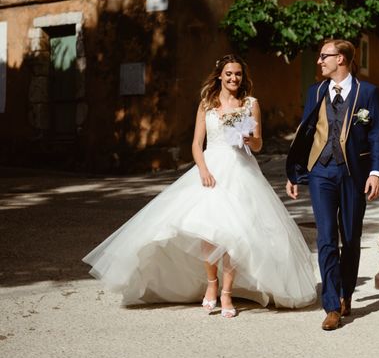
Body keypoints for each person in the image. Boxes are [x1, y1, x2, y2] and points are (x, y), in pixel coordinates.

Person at [83, 54, 317, 316]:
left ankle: (227, 294)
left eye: (238, 74)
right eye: (229, 73)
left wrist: (250, 139)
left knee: (235, 233)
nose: (233, 78)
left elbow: (259, 144)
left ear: (243, 77)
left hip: (241, 171)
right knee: (208, 232)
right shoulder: (207, 104)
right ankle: (211, 284)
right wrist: (203, 170)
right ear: (220, 75)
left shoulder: (251, 103)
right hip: (211, 169)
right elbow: (196, 144)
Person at [286, 39, 379, 330]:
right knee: (327, 238)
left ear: (341, 59)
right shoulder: (315, 91)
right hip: (321, 172)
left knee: (351, 237)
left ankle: (346, 293)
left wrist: (376, 172)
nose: (319, 61)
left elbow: (377, 134)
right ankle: (331, 305)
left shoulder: (367, 92)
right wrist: (295, 173)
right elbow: (305, 134)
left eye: (324, 56)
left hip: (354, 173)